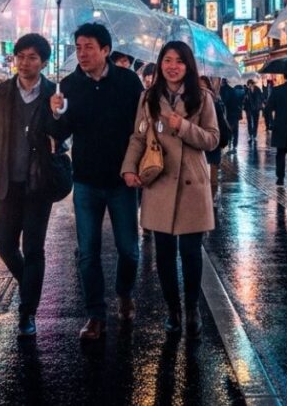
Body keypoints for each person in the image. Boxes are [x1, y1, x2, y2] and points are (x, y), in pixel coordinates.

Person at [49, 23, 144, 341]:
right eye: (78, 47)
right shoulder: (68, 85)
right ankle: (95, 316)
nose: (82, 53)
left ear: (105, 50)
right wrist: (58, 113)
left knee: (129, 250)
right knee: (87, 252)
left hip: (123, 180)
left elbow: (141, 128)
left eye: (89, 46)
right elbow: (60, 135)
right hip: (86, 180)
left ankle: (124, 293)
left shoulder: (129, 82)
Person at [121, 41, 219, 339]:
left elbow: (213, 140)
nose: (172, 66)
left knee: (190, 252)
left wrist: (182, 126)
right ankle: (173, 310)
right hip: (160, 181)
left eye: (178, 61)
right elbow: (138, 137)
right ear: (160, 64)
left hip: (191, 183)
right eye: (167, 60)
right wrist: (128, 168)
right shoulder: (148, 98)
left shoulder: (202, 98)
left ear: (188, 66)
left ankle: (191, 309)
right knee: (163, 253)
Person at [0, 33, 60, 337]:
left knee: (33, 248)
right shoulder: (2, 93)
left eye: (32, 57)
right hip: (7, 182)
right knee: (5, 245)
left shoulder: (53, 93)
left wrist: (59, 116)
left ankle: (27, 312)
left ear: (44, 62)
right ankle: (30, 286)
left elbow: (63, 137)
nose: (24, 63)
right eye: (20, 56)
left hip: (39, 184)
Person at [201, 76, 232, 197]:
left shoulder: (215, 104)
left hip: (213, 146)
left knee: (212, 179)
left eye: (203, 87)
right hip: (199, 147)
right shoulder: (191, 103)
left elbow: (221, 125)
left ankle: (211, 202)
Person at [220, 80, 243, 151]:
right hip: (235, 113)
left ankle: (230, 144)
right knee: (235, 130)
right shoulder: (232, 90)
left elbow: (224, 101)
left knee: (229, 129)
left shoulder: (223, 90)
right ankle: (234, 145)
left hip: (229, 113)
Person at [244, 79, 265, 144]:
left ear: (253, 84)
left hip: (256, 108)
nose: (250, 85)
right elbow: (244, 99)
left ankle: (254, 135)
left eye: (251, 84)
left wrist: (260, 105)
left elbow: (261, 97)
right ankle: (250, 135)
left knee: (255, 122)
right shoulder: (246, 90)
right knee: (249, 122)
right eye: (249, 84)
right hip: (249, 109)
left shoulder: (258, 89)